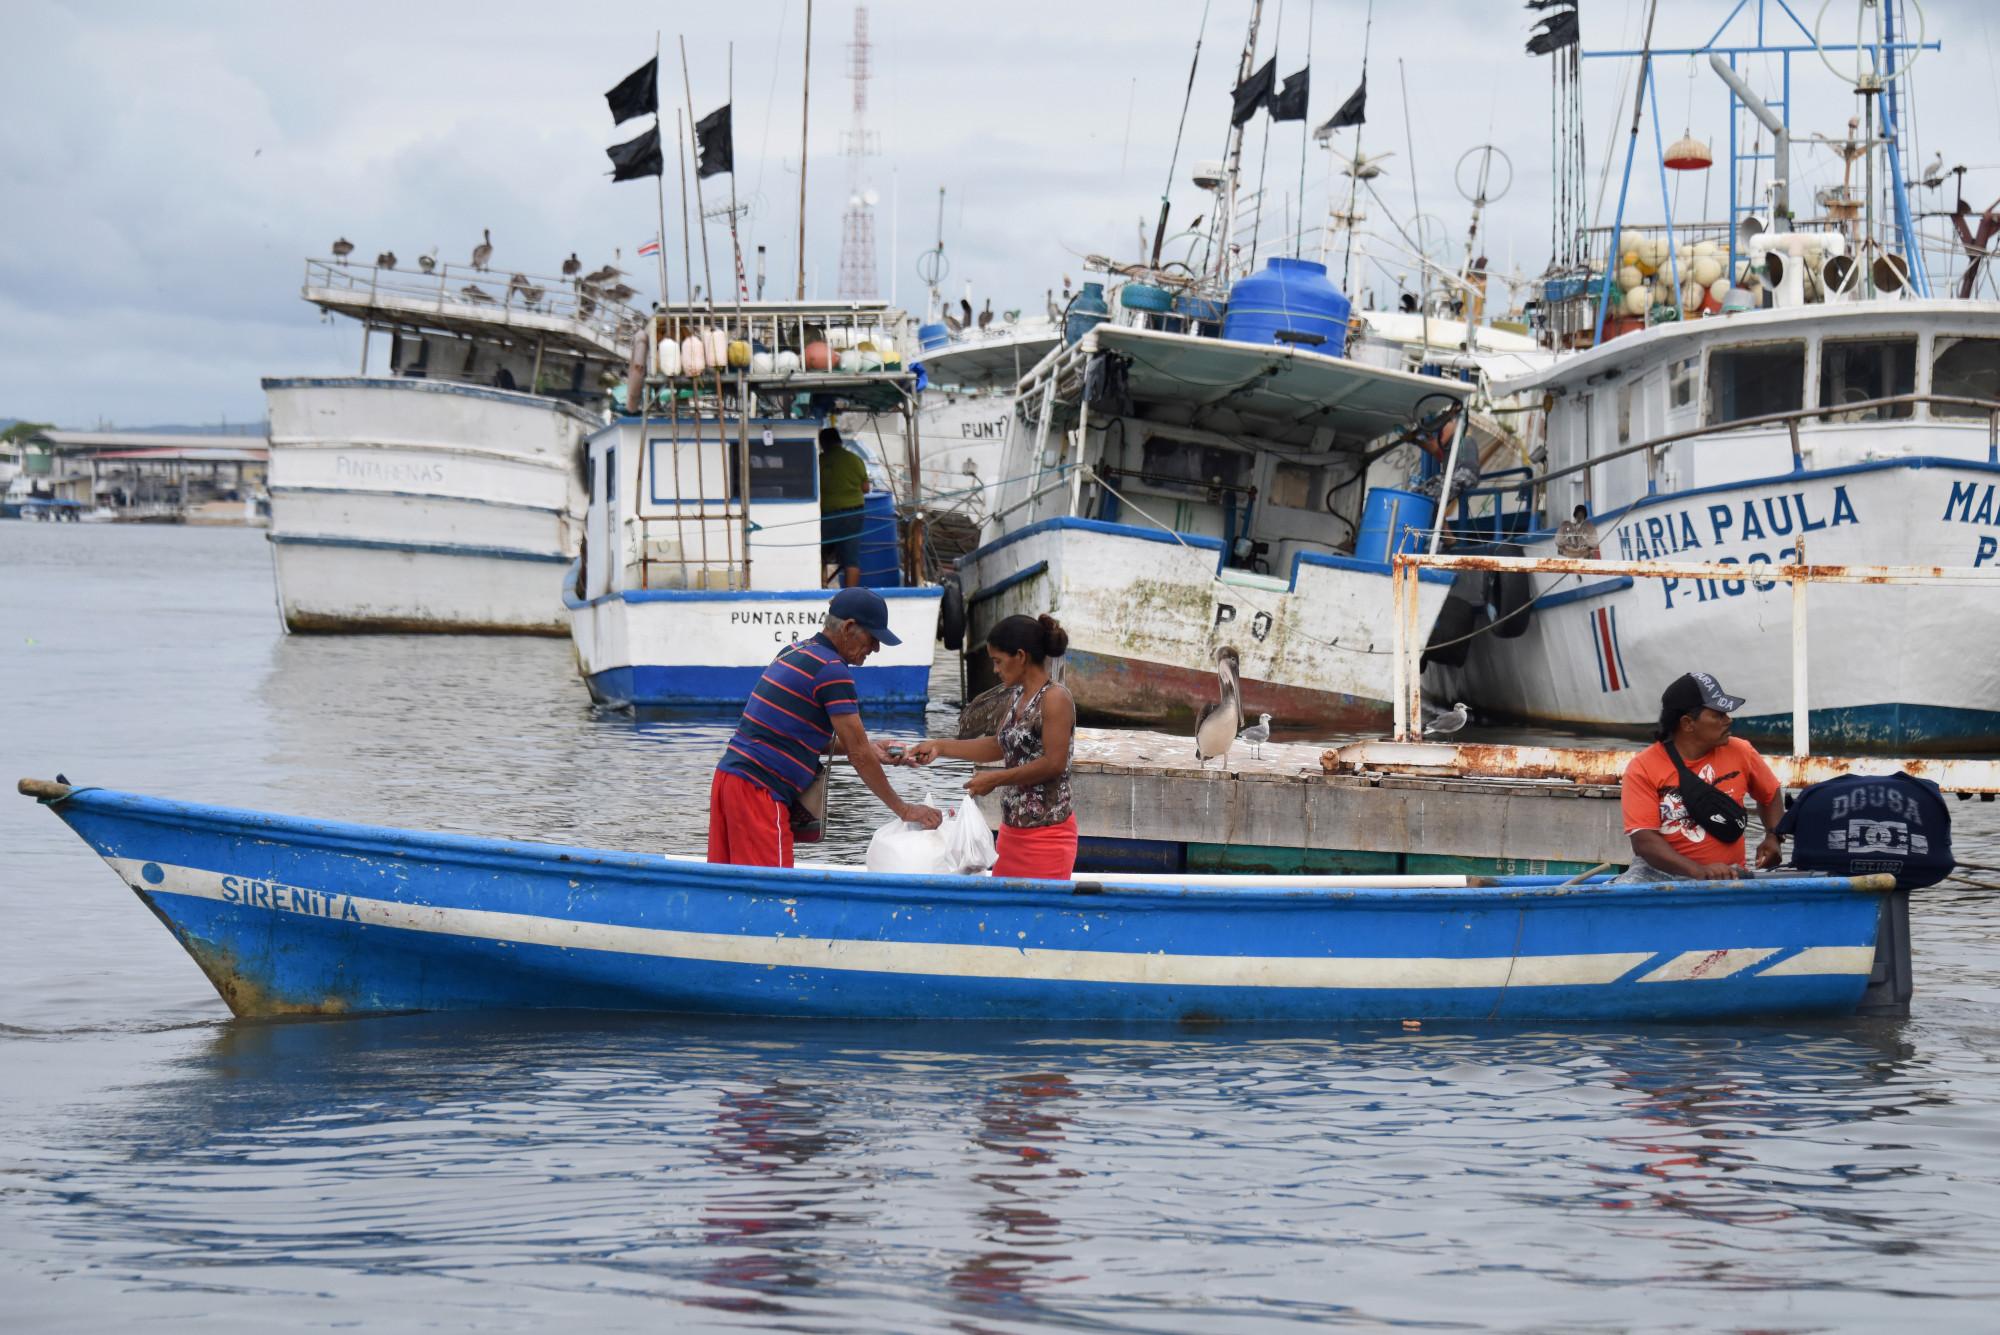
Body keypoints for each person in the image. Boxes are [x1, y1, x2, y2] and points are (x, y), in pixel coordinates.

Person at [708, 586, 941, 867]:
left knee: (733, 885)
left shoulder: (793, 651)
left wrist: (870, 748)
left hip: (730, 780)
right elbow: (858, 756)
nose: (876, 648)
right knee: (771, 893)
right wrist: (904, 809)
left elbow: (798, 736)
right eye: (873, 638)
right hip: (759, 789)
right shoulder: (833, 670)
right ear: (849, 627)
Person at [904, 614, 1078, 879]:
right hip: (1012, 832)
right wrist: (940, 746)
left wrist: (996, 778)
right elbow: (999, 746)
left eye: (998, 661)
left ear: (1020, 656)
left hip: (1048, 836)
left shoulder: (1055, 698)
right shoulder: (1018, 695)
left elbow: (1054, 763)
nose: (995, 669)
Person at [1618, 671, 1783, 881]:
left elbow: (1770, 793)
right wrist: (1697, 871)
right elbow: (1644, 840)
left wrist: (1774, 836)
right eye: (1718, 715)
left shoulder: (1742, 751)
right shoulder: (1642, 767)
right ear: (1688, 723)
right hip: (1661, 877)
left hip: (1729, 875)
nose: (1728, 720)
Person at [818, 426, 870, 589]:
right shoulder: (855, 459)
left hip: (827, 517)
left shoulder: (819, 461)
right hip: (853, 515)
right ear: (839, 441)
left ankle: (821, 586)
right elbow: (866, 488)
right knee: (851, 560)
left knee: (819, 556)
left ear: (822, 443)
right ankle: (850, 596)